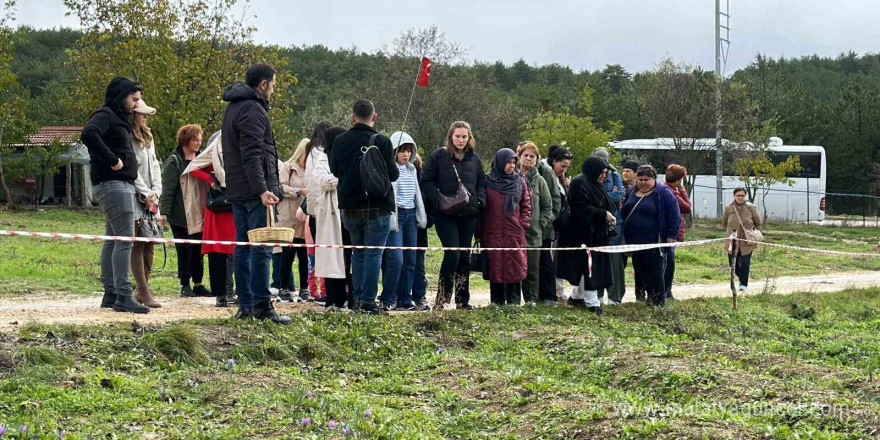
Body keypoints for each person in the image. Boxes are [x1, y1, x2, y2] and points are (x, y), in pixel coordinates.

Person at [222, 63, 291, 324]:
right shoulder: (253, 109)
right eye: (273, 85)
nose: (273, 90)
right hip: (254, 192)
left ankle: (247, 305)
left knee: (243, 247)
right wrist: (263, 189)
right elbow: (252, 155)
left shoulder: (234, 107)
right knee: (260, 248)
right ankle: (262, 306)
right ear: (263, 84)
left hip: (239, 190)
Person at [81, 77, 149, 314]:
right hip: (114, 184)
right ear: (121, 96)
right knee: (124, 240)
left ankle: (111, 293)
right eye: (134, 99)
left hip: (118, 185)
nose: (137, 104)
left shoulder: (119, 118)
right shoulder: (106, 114)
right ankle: (123, 295)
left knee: (112, 240)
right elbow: (88, 134)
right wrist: (113, 160)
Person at [329, 99, 399, 315]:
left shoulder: (340, 140)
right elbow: (393, 174)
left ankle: (358, 300)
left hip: (349, 206)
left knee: (358, 253)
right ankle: (369, 302)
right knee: (374, 254)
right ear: (374, 117)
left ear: (352, 117)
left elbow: (335, 170)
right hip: (377, 206)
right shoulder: (382, 141)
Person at [421, 121, 487, 310]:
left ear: (469, 138)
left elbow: (481, 182)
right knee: (452, 254)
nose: (461, 140)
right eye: (457, 136)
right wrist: (436, 201)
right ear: (451, 136)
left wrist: (479, 201)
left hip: (468, 214)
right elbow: (427, 181)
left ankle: (462, 300)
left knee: (464, 256)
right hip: (445, 214)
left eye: (464, 136)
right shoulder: (439, 156)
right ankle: (441, 299)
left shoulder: (474, 159)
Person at [180, 131, 238, 308]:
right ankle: (221, 294)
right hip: (218, 209)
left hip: (234, 208)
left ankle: (236, 291)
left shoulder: (237, 152)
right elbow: (194, 169)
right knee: (217, 253)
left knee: (236, 252)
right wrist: (211, 178)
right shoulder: (211, 153)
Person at [557, 157, 617, 314]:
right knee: (588, 266)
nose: (603, 176)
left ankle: (576, 297)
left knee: (590, 267)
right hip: (581, 234)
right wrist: (602, 213)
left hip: (597, 234)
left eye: (605, 173)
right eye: (601, 172)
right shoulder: (579, 183)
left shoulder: (596, 185)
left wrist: (607, 213)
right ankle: (592, 303)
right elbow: (580, 208)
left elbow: (608, 203)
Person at [160, 124, 210, 298]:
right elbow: (168, 189)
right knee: (184, 249)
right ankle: (184, 284)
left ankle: (198, 283)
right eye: (195, 139)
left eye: (200, 140)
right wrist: (164, 212)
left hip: (199, 212)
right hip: (180, 214)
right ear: (186, 140)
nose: (198, 143)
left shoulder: (202, 158)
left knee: (198, 250)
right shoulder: (174, 161)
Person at [380, 131, 427, 311]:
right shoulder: (390, 169)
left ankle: (404, 299)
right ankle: (388, 298)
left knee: (410, 260)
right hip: (395, 217)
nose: (406, 155)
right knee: (396, 259)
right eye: (401, 151)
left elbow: (416, 196)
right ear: (394, 151)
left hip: (410, 216)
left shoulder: (412, 169)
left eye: (409, 151)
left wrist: (420, 216)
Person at [620, 165, 680, 306]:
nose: (643, 182)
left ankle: (657, 300)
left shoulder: (663, 193)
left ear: (654, 179)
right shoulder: (631, 192)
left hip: (654, 240)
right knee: (639, 270)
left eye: (646, 179)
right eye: (640, 179)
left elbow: (674, 214)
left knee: (655, 271)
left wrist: (671, 234)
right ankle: (640, 297)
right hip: (635, 240)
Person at [307, 124, 352, 310]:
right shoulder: (322, 158)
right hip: (330, 215)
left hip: (349, 212)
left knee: (349, 257)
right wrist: (341, 178)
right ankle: (334, 297)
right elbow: (322, 179)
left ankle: (352, 295)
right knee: (332, 257)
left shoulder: (349, 156)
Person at [483, 148, 531, 305]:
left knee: (514, 265)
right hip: (493, 231)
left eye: (513, 162)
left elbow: (526, 204)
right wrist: (480, 230)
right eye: (508, 162)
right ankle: (496, 301)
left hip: (514, 232)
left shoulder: (519, 181)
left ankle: (514, 301)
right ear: (499, 163)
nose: (511, 166)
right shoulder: (487, 181)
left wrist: (523, 223)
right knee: (496, 266)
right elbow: (482, 208)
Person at [129, 99, 162, 309]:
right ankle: (142, 289)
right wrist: (145, 192)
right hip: (135, 196)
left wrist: (156, 192)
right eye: (142, 114)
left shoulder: (149, 137)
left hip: (151, 197)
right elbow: (133, 170)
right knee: (138, 243)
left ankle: (144, 288)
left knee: (151, 241)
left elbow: (156, 165)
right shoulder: (129, 138)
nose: (145, 117)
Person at [516, 142, 552, 304]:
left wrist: (540, 223)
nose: (529, 159)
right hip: (514, 233)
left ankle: (531, 300)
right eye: (526, 155)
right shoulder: (511, 177)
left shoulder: (540, 181)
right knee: (514, 268)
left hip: (534, 234)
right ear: (519, 157)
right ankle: (513, 301)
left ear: (537, 160)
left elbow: (548, 206)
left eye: (532, 156)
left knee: (532, 271)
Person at [278, 138, 310, 302]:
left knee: (304, 255)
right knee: (287, 254)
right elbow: (281, 188)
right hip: (289, 216)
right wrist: (299, 191)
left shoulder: (312, 169)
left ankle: (304, 288)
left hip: (304, 218)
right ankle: (283, 288)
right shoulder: (287, 167)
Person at [590, 148, 624, 305]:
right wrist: (607, 195)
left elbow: (618, 196)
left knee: (614, 262)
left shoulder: (614, 174)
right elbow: (589, 197)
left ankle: (614, 297)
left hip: (613, 224)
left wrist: (600, 196)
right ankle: (598, 295)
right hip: (595, 224)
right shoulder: (588, 176)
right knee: (597, 261)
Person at [542, 145, 572, 302]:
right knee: (549, 260)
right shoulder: (545, 172)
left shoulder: (559, 177)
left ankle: (558, 291)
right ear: (554, 161)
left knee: (555, 259)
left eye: (567, 167)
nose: (564, 170)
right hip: (549, 224)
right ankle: (555, 292)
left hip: (558, 226)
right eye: (562, 166)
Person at [721, 187, 762, 292]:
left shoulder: (751, 208)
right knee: (732, 262)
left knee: (745, 262)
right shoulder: (729, 208)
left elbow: (758, 222)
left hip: (747, 241)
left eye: (742, 196)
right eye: (738, 195)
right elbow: (724, 223)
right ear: (734, 196)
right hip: (732, 240)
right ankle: (742, 274)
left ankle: (743, 284)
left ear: (745, 196)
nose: (740, 197)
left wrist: (750, 231)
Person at [619, 159, 645, 301]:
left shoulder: (642, 189)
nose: (625, 173)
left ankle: (640, 294)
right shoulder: (619, 187)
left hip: (638, 231)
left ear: (636, 173)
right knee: (620, 262)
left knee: (640, 264)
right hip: (622, 229)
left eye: (628, 170)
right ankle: (618, 294)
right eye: (623, 170)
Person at [664, 164, 691, 300]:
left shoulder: (664, 188)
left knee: (668, 262)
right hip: (671, 234)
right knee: (669, 263)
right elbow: (687, 207)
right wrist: (682, 189)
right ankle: (666, 292)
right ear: (679, 179)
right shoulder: (673, 192)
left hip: (667, 232)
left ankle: (666, 291)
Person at [411, 152, 432, 311]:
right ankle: (401, 296)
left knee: (418, 266)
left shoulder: (424, 182)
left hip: (419, 230)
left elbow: (428, 204)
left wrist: (427, 221)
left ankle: (419, 296)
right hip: (404, 228)